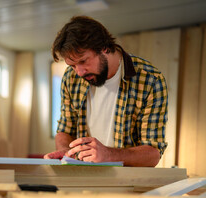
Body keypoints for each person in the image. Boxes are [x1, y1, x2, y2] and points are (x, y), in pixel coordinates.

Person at [44, 16, 168, 167]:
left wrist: (108, 155)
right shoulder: (71, 78)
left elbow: (153, 154)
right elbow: (65, 130)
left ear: (104, 47)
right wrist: (66, 152)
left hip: (128, 182)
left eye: (83, 61)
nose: (79, 72)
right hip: (83, 177)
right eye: (73, 65)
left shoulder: (150, 80)